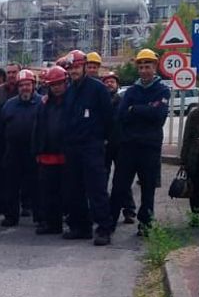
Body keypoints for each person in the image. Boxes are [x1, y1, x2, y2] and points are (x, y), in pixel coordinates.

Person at [108, 49, 170, 240]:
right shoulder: (131, 91)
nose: (144, 70)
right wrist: (146, 109)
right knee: (119, 186)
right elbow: (121, 115)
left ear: (155, 67)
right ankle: (109, 223)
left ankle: (146, 224)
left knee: (148, 188)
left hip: (150, 147)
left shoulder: (162, 90)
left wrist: (134, 109)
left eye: (147, 66)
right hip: (128, 146)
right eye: (141, 67)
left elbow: (159, 116)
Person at [60, 49, 115, 245]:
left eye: (76, 67)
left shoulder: (97, 89)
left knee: (96, 189)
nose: (73, 71)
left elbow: (109, 118)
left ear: (84, 67)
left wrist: (103, 140)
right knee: (75, 189)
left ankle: (104, 229)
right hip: (73, 147)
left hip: (92, 146)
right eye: (70, 68)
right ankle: (81, 227)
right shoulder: (70, 90)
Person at [0, 69, 39, 227]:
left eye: (27, 84)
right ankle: (11, 216)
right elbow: (2, 127)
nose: (25, 88)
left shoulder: (42, 103)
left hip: (34, 151)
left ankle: (40, 217)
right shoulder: (9, 105)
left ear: (33, 85)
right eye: (21, 85)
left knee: (37, 186)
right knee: (11, 186)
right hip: (13, 151)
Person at [33, 65, 71, 235]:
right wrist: (37, 150)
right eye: (53, 84)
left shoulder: (71, 102)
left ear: (65, 83)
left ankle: (72, 222)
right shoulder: (44, 104)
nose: (56, 87)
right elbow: (38, 128)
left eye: (59, 84)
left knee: (68, 192)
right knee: (48, 191)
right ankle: (51, 223)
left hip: (66, 154)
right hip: (47, 154)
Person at [102, 71, 136, 224]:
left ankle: (129, 210)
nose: (109, 84)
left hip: (120, 144)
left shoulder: (123, 101)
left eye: (112, 82)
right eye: (106, 82)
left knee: (122, 179)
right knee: (102, 179)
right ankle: (104, 210)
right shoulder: (100, 102)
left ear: (117, 85)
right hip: (104, 145)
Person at [0, 62, 20, 207]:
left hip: (19, 141)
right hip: (0, 140)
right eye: (9, 72)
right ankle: (0, 202)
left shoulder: (25, 89)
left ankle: (23, 203)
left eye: (14, 72)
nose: (12, 75)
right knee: (0, 171)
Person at [180, 84, 199, 215]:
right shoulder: (195, 115)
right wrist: (183, 161)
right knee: (195, 188)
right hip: (196, 158)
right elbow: (187, 138)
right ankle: (196, 214)